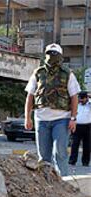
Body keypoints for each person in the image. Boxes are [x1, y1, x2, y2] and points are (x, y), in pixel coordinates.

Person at [24, 43, 79, 176]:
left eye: (54, 54)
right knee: (43, 156)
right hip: (41, 120)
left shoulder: (67, 74)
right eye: (49, 53)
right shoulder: (38, 73)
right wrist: (27, 117)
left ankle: (64, 182)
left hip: (62, 119)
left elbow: (74, 97)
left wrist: (73, 118)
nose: (51, 56)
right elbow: (30, 96)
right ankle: (47, 186)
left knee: (59, 153)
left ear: (60, 56)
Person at [69, 91, 91, 166]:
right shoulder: (76, 104)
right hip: (77, 126)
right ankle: (72, 160)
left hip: (88, 127)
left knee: (87, 145)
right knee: (74, 144)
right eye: (80, 98)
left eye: (83, 99)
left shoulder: (89, 105)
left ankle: (85, 161)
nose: (81, 100)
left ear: (87, 98)